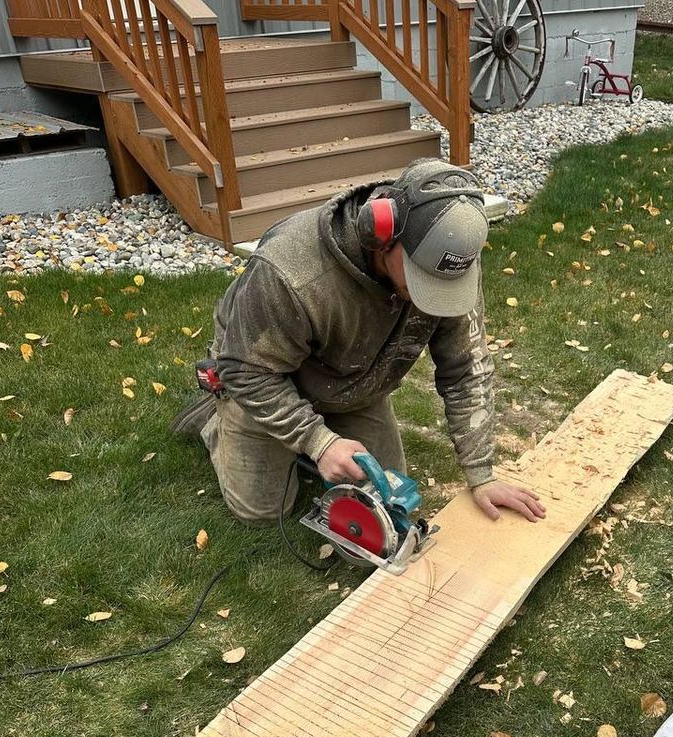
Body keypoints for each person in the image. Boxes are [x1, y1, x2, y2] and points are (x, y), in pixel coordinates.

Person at [172, 158, 545, 526]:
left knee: (389, 497)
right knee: (262, 512)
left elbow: (466, 370)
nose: (428, 296)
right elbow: (248, 368)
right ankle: (220, 416)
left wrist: (482, 475)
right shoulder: (292, 272)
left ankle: (322, 418)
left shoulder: (449, 265)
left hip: (353, 379)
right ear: (381, 234)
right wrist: (320, 442)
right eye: (419, 277)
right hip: (264, 368)